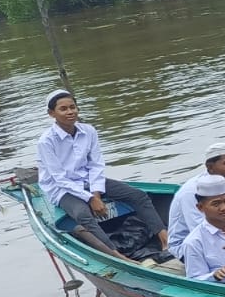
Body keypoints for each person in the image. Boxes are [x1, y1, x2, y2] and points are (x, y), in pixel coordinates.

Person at [36, 89, 169, 259]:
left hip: (89, 180)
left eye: (72, 107)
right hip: (62, 188)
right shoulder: (46, 141)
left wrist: (96, 194)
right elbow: (59, 178)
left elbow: (96, 164)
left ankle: (165, 238)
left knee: (139, 196)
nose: (70, 112)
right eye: (63, 109)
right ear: (52, 113)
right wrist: (90, 198)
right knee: (83, 214)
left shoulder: (88, 131)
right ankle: (115, 254)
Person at [168, 142, 225, 255]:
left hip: (220, 234)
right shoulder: (192, 191)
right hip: (189, 245)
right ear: (210, 167)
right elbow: (200, 231)